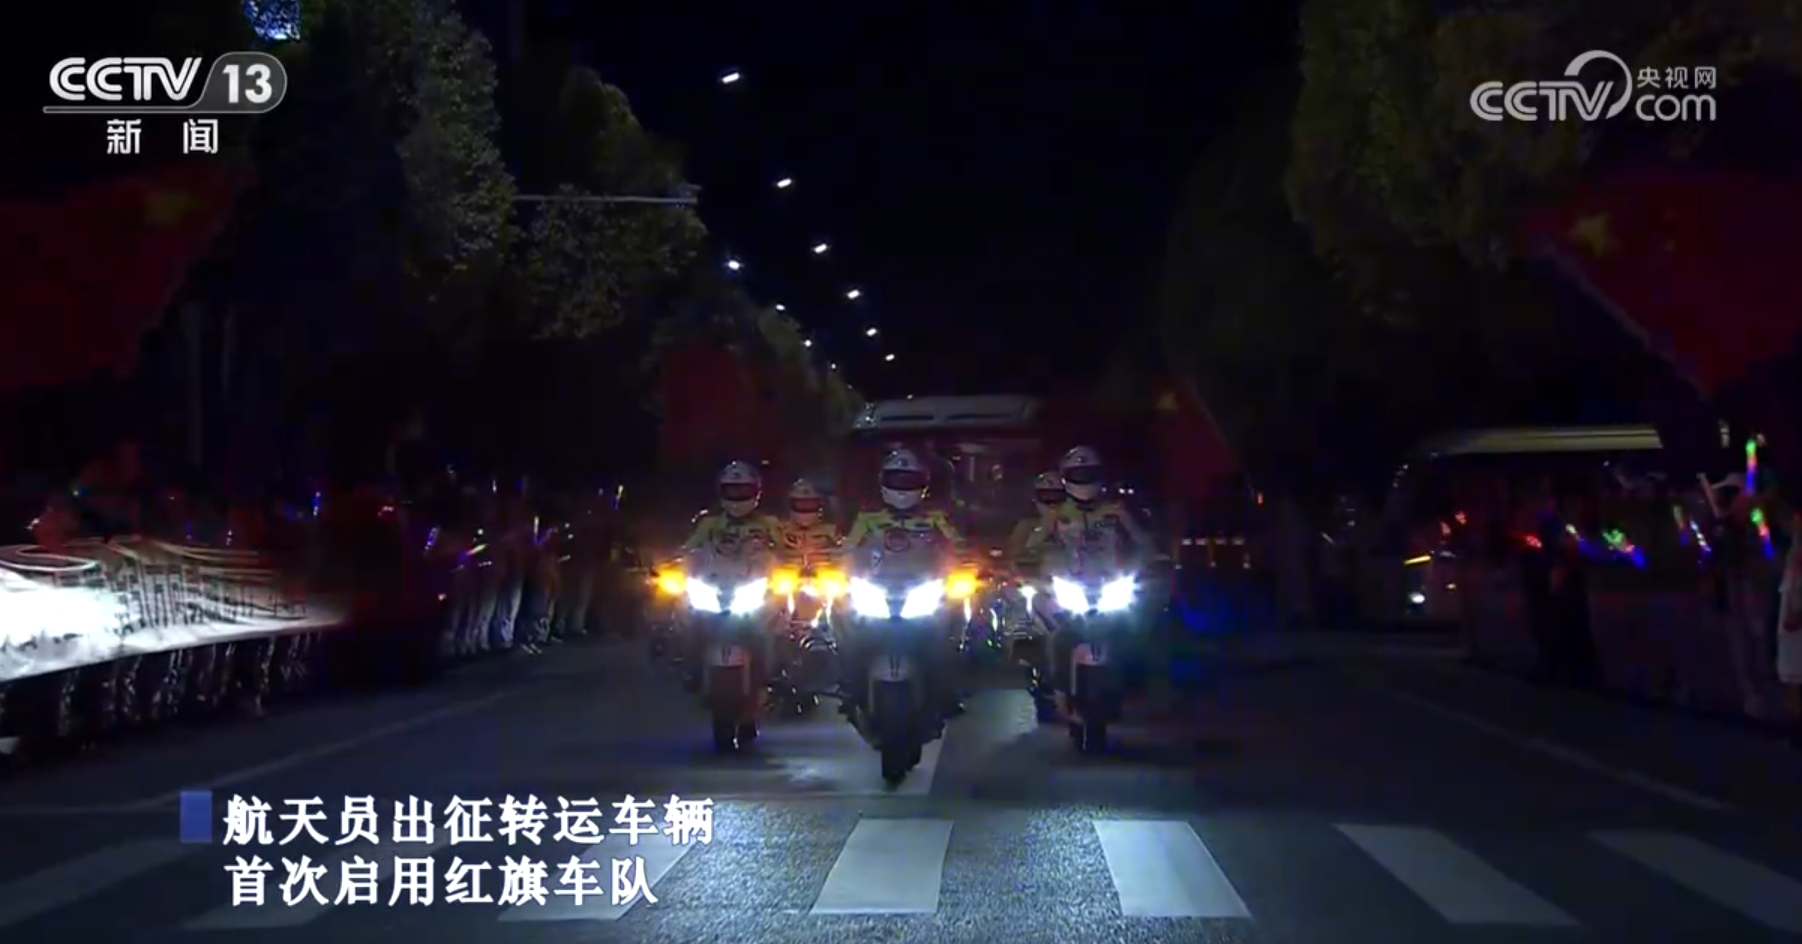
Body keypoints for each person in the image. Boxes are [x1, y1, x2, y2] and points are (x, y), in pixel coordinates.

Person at [841, 447, 970, 718]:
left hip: (924, 589)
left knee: (948, 637)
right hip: (876, 588)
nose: (902, 488)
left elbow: (959, 546)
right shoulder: (868, 519)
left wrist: (967, 565)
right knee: (848, 634)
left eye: (909, 481)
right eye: (896, 480)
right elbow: (846, 550)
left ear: (923, 485)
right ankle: (851, 689)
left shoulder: (935, 518)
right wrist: (834, 568)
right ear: (883, 482)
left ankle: (948, 692)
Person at [1040, 445, 1170, 709]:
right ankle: (1059, 689)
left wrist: (1155, 560)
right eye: (1078, 474)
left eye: (1089, 473)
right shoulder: (1056, 515)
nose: (1084, 480)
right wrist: (1032, 566)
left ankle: (1144, 688)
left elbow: (1145, 544)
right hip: (1071, 586)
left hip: (1112, 584)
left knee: (1141, 632)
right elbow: (1033, 546)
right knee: (1059, 638)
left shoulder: (1117, 511)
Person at [677, 461, 784, 693]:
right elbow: (689, 549)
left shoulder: (769, 524)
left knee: (776, 625)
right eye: (731, 490)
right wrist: (674, 564)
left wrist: (794, 566)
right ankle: (691, 667)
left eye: (743, 490)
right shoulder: (709, 523)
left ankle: (773, 671)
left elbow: (785, 550)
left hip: (757, 586)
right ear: (721, 492)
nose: (737, 496)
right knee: (688, 617)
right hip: (715, 584)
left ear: (756, 492)